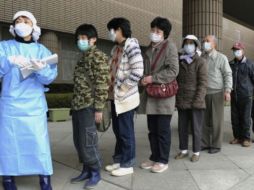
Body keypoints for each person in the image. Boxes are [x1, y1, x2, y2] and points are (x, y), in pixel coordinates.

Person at [0, 11, 57, 190]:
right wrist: (9, 61)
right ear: (13, 27)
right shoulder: (4, 47)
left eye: (26, 21)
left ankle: (45, 179)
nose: (21, 24)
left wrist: (41, 69)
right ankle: (8, 179)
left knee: (39, 143)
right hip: (11, 104)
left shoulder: (41, 50)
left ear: (34, 27)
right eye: (18, 21)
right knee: (9, 144)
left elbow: (49, 78)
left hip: (34, 106)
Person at [70, 24, 109, 188]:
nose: (81, 41)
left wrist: (99, 108)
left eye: (84, 38)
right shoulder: (83, 57)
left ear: (93, 40)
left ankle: (95, 172)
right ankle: (86, 169)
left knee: (88, 140)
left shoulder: (98, 57)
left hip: (89, 105)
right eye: (79, 38)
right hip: (78, 105)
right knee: (79, 140)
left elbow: (102, 85)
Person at [139, 17, 179, 173]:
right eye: (153, 30)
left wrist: (152, 78)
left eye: (158, 31)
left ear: (165, 34)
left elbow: (173, 71)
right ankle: (154, 157)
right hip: (150, 95)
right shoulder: (149, 48)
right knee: (152, 130)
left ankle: (163, 160)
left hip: (164, 96)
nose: (154, 33)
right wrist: (143, 79)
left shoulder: (170, 47)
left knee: (162, 130)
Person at [105, 17, 143, 176]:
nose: (110, 33)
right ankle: (119, 160)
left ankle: (127, 164)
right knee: (118, 131)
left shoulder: (131, 46)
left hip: (125, 98)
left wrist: (123, 88)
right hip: (115, 98)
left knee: (126, 132)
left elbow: (138, 71)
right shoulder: (116, 49)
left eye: (111, 30)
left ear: (120, 29)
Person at [175, 35, 207, 162]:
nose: (188, 45)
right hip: (182, 100)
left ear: (196, 45)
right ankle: (183, 150)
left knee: (196, 128)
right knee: (182, 127)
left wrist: (198, 100)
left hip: (195, 101)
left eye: (191, 43)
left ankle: (196, 151)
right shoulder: (180, 60)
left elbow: (203, 83)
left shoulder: (200, 62)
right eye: (186, 43)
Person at [201, 35, 232, 154]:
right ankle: (204, 143)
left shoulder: (221, 58)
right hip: (203, 93)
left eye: (207, 41)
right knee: (203, 120)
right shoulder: (201, 57)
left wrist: (227, 90)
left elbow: (227, 74)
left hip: (217, 93)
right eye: (204, 41)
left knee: (216, 121)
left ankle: (216, 145)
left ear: (214, 44)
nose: (205, 43)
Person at [229, 42, 254, 147]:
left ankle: (246, 138)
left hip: (246, 96)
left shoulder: (250, 64)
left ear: (243, 50)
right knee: (235, 118)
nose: (236, 51)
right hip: (234, 95)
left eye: (238, 49)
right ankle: (237, 137)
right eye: (234, 50)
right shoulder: (231, 64)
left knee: (245, 118)